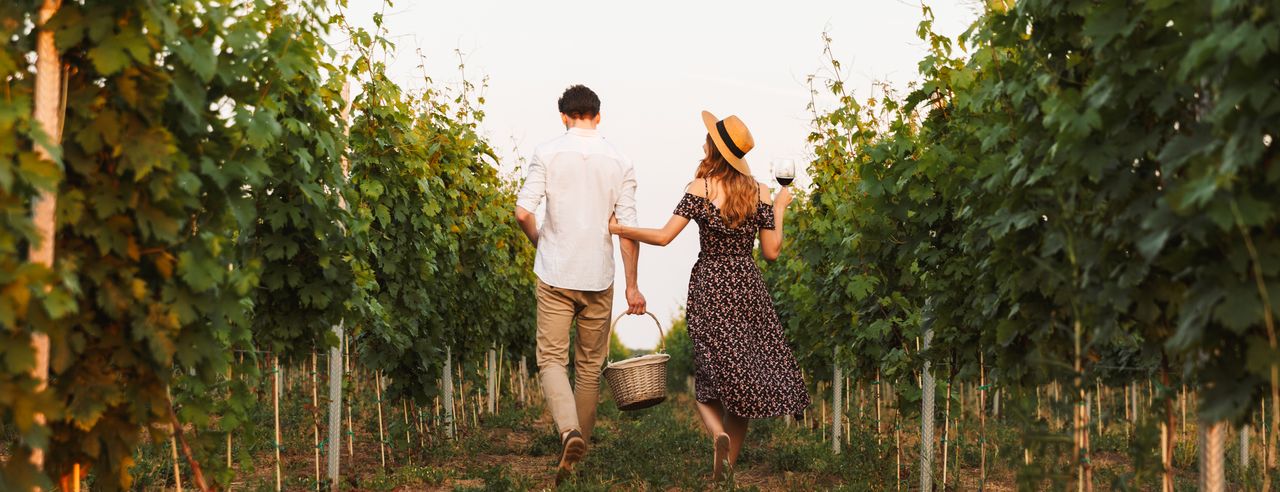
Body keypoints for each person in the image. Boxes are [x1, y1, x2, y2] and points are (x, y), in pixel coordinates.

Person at [608, 111, 809, 481]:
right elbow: (772, 252)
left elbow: (665, 236)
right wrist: (779, 209)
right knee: (745, 378)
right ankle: (725, 473)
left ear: (714, 149)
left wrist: (620, 228)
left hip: (711, 285)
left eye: (708, 138)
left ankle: (717, 435)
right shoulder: (761, 191)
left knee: (709, 380)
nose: (703, 141)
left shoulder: (699, 187)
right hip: (746, 286)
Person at [514, 84, 647, 484]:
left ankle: (568, 431)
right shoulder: (620, 160)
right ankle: (578, 457)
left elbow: (522, 213)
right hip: (598, 276)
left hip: (555, 272)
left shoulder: (547, 152)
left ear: (564, 117)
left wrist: (541, 242)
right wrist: (632, 287)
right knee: (589, 369)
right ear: (598, 116)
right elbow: (628, 230)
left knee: (552, 359)